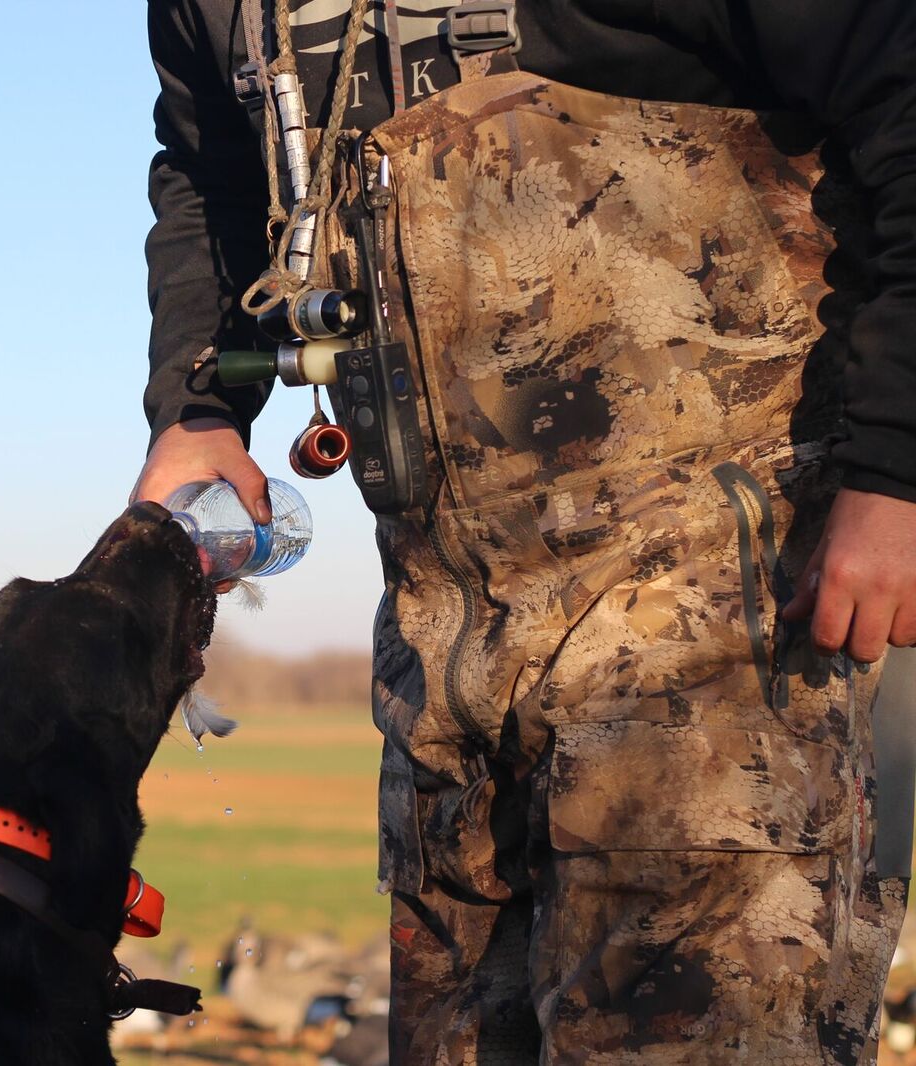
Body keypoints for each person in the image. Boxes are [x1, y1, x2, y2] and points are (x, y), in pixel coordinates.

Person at [133, 0, 916, 1060]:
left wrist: (896, 466)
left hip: (717, 643)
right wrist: (197, 413)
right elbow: (208, 167)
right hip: (444, 656)